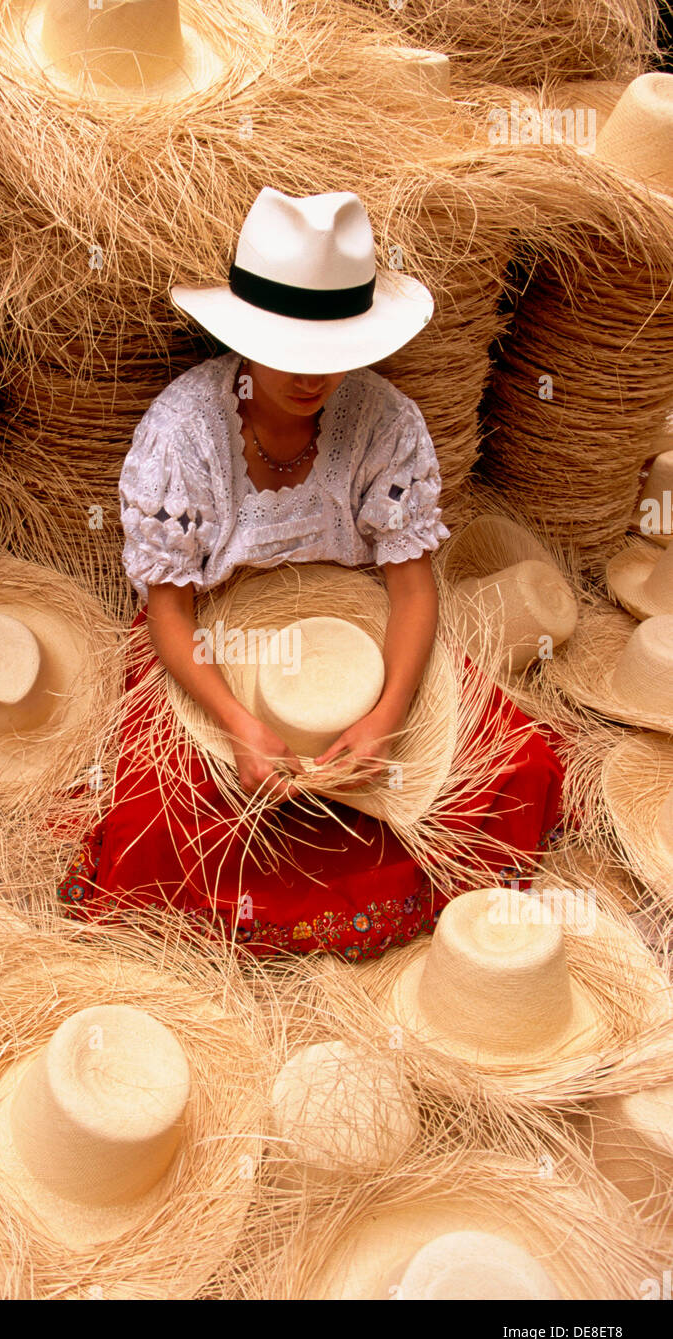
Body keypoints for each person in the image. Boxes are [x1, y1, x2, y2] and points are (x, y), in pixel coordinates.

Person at [58, 187, 564, 959]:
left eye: (331, 354)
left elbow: (412, 587)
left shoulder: (386, 422)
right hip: (217, 645)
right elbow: (169, 612)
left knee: (520, 764)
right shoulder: (182, 434)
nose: (310, 376)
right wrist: (241, 723)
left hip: (357, 634)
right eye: (288, 351)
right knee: (153, 818)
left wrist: (388, 714)